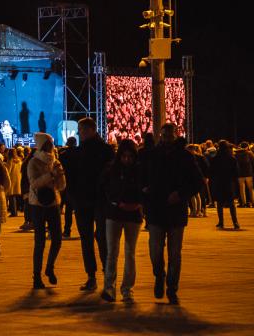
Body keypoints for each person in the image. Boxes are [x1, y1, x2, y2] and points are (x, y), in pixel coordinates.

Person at [143, 123, 204, 305]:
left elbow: (198, 181)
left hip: (176, 211)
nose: (166, 139)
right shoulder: (152, 155)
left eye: (170, 136)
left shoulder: (185, 156)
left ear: (176, 136)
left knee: (175, 253)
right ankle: (159, 275)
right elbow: (143, 177)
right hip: (156, 209)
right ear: (159, 136)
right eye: (164, 135)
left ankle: (172, 287)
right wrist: (146, 191)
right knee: (155, 251)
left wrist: (181, 194)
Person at [66, 118, 114, 291]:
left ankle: (95, 276)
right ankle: (105, 275)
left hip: (91, 201)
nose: (80, 133)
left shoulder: (86, 152)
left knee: (93, 238)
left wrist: (73, 198)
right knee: (99, 238)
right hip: (95, 201)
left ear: (92, 130)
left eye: (82, 130)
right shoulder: (105, 150)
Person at [100, 139, 143, 303]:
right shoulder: (111, 169)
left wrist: (137, 203)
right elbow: (105, 189)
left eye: (130, 156)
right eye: (124, 156)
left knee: (130, 253)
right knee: (112, 253)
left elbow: (144, 189)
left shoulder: (139, 170)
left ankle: (127, 289)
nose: (127, 159)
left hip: (132, 214)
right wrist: (117, 202)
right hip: (115, 213)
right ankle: (109, 288)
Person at [27, 133, 66, 289]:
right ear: (43, 144)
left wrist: (60, 174)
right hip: (37, 204)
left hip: (53, 203)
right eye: (49, 143)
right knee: (40, 242)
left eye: (52, 143)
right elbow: (34, 183)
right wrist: (50, 175)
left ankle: (49, 267)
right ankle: (36, 276)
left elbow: (62, 186)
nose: (51, 146)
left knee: (57, 239)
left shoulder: (56, 162)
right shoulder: (33, 162)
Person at [210, 141, 240, 229]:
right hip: (229, 183)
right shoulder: (232, 158)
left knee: (219, 204)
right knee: (231, 204)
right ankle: (235, 222)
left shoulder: (215, 158)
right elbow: (236, 172)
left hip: (219, 183)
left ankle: (221, 222)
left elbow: (212, 171)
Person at [58, 136, 78, 238]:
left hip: (67, 184)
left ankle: (67, 230)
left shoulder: (63, 154)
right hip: (78, 184)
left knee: (68, 210)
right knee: (80, 210)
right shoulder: (79, 153)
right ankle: (83, 231)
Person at [235, 142, 254, 208]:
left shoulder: (237, 154)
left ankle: (244, 203)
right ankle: (253, 203)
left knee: (242, 189)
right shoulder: (249, 153)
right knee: (251, 189)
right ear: (247, 147)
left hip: (240, 174)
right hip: (249, 173)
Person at [5, 148, 22, 217]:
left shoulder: (10, 161)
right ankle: (16, 210)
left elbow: (8, 171)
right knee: (15, 196)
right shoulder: (19, 161)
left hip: (11, 179)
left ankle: (13, 212)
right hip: (18, 179)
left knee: (11, 196)